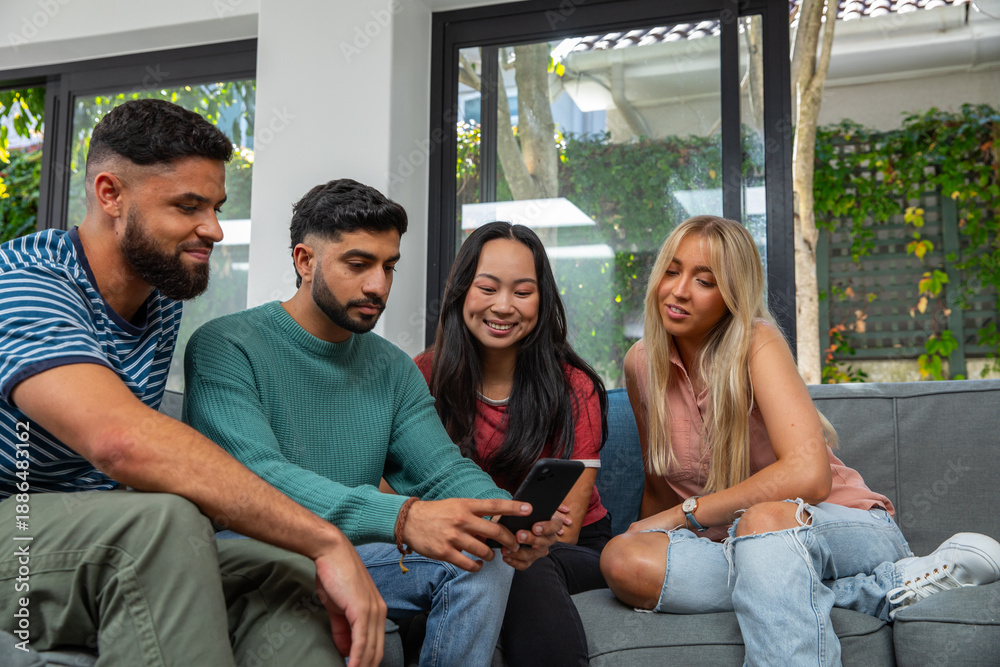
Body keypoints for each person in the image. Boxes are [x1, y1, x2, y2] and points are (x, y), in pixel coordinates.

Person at [0, 100, 385, 667]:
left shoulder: (158, 301)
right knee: (163, 524)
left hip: (86, 533)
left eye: (215, 206)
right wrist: (325, 538)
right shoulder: (26, 282)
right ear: (110, 194)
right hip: (20, 521)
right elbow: (120, 441)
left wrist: (304, 548)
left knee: (282, 570)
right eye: (188, 206)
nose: (214, 228)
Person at [183, 179, 565, 667]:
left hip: (352, 553)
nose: (378, 286)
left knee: (481, 562)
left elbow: (442, 471)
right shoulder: (225, 346)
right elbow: (256, 476)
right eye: (358, 264)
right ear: (305, 261)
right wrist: (401, 518)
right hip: (255, 551)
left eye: (389, 267)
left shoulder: (391, 366)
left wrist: (509, 518)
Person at [599, 215, 1000, 665]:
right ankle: (879, 589)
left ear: (732, 296)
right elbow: (660, 482)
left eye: (704, 280)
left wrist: (685, 514)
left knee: (763, 521)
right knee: (623, 560)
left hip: (842, 525)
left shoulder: (756, 342)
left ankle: (850, 573)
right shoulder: (642, 363)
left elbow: (808, 476)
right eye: (671, 272)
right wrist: (650, 532)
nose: (679, 290)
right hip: (732, 544)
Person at [413, 221, 611, 666]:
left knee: (521, 564)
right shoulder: (422, 376)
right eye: (487, 288)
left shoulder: (572, 386)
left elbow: (567, 528)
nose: (503, 307)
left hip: (568, 549)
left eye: (522, 292)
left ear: (542, 301)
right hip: (471, 542)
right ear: (462, 291)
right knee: (490, 562)